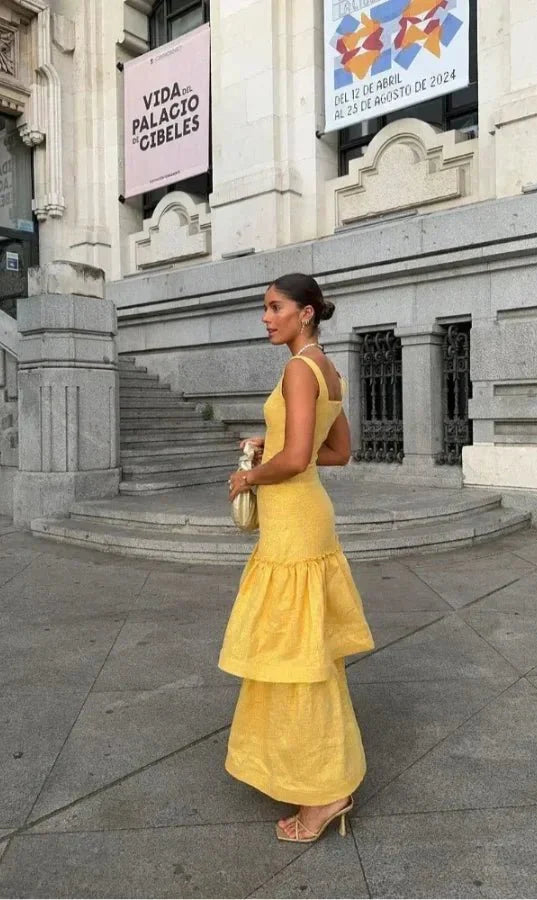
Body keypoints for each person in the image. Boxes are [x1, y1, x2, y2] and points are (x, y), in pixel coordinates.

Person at [219, 272, 374, 843]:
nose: (266, 317)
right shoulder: (328, 369)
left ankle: (323, 793)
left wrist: (249, 475)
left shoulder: (297, 370)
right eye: (265, 308)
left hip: (294, 525)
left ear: (306, 313)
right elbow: (338, 451)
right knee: (307, 653)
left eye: (275, 307)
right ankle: (319, 776)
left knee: (295, 655)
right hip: (307, 518)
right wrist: (276, 447)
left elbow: (299, 457)